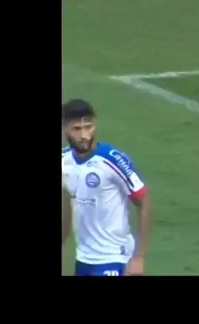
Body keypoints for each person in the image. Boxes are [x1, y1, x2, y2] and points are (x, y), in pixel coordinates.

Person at [61, 99, 153, 276]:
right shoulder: (65, 161)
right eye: (77, 129)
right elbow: (67, 205)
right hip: (84, 258)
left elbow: (145, 202)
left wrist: (139, 257)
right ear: (64, 128)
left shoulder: (111, 160)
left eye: (88, 127)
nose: (84, 135)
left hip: (115, 257)